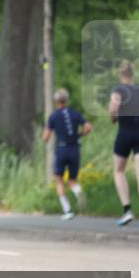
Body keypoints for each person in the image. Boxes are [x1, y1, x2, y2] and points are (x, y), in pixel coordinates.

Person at [109, 60, 139, 227]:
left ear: (121, 75)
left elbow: (113, 109)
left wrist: (114, 118)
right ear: (133, 75)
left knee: (119, 170)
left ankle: (127, 211)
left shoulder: (118, 90)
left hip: (125, 133)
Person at [42, 88, 92, 220]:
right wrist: (79, 134)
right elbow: (88, 127)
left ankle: (67, 210)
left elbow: (46, 137)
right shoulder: (75, 114)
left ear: (56, 102)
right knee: (72, 180)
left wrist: (47, 137)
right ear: (67, 100)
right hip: (75, 148)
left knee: (58, 179)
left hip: (62, 149)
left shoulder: (53, 116)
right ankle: (78, 191)